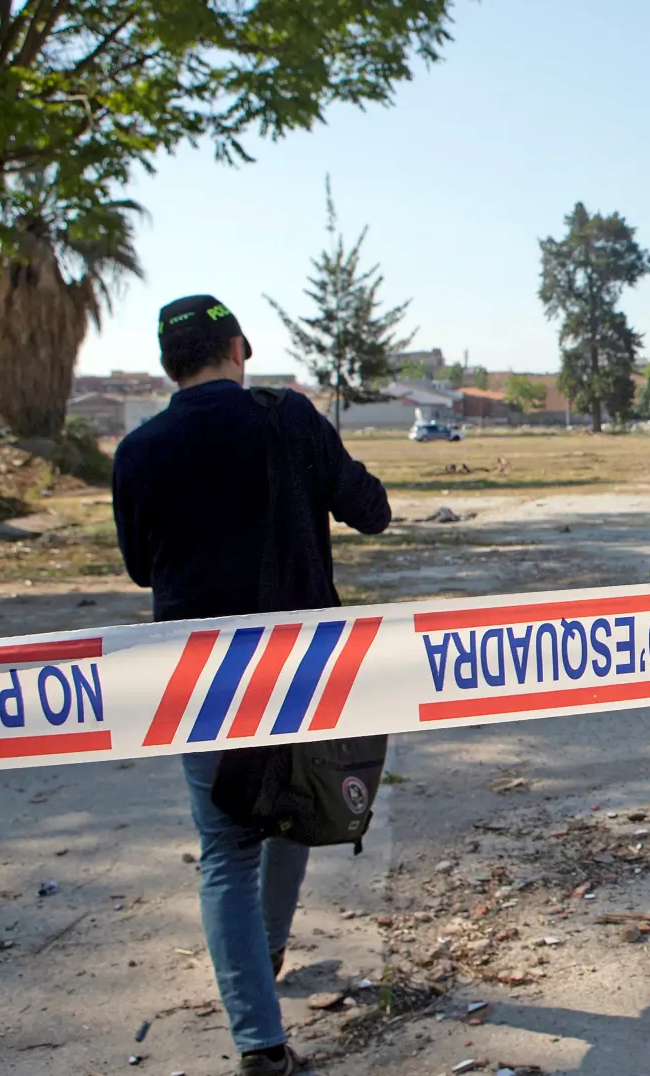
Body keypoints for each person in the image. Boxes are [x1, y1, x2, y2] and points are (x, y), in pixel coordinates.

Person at [112, 295, 390, 1076]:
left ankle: (259, 1042)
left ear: (171, 366)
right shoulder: (288, 420)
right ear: (239, 347)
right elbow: (372, 512)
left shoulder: (139, 449)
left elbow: (141, 567)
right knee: (295, 807)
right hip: (298, 667)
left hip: (196, 675)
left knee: (226, 847)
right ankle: (264, 956)